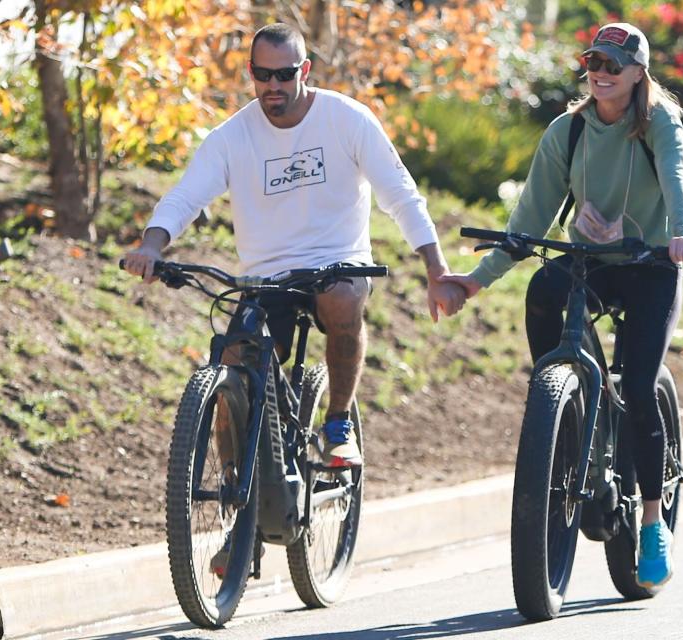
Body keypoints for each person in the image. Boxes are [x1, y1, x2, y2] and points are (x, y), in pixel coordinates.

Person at [123, 22, 466, 470]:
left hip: (338, 264)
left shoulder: (348, 119)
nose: (273, 86)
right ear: (251, 73)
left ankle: (338, 423)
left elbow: (401, 195)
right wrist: (152, 246)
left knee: (341, 300)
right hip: (267, 277)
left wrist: (435, 269)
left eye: (284, 74)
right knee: (232, 364)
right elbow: (185, 197)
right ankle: (233, 492)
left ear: (304, 69)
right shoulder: (231, 137)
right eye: (262, 75)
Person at [441, 22, 683, 589]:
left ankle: (654, 524)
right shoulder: (569, 131)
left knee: (636, 389)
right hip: (594, 264)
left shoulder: (658, 121)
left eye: (613, 64)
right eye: (593, 61)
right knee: (543, 289)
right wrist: (473, 283)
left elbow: (677, 180)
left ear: (638, 73)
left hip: (652, 266)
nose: (600, 72)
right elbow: (529, 219)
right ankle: (560, 389)